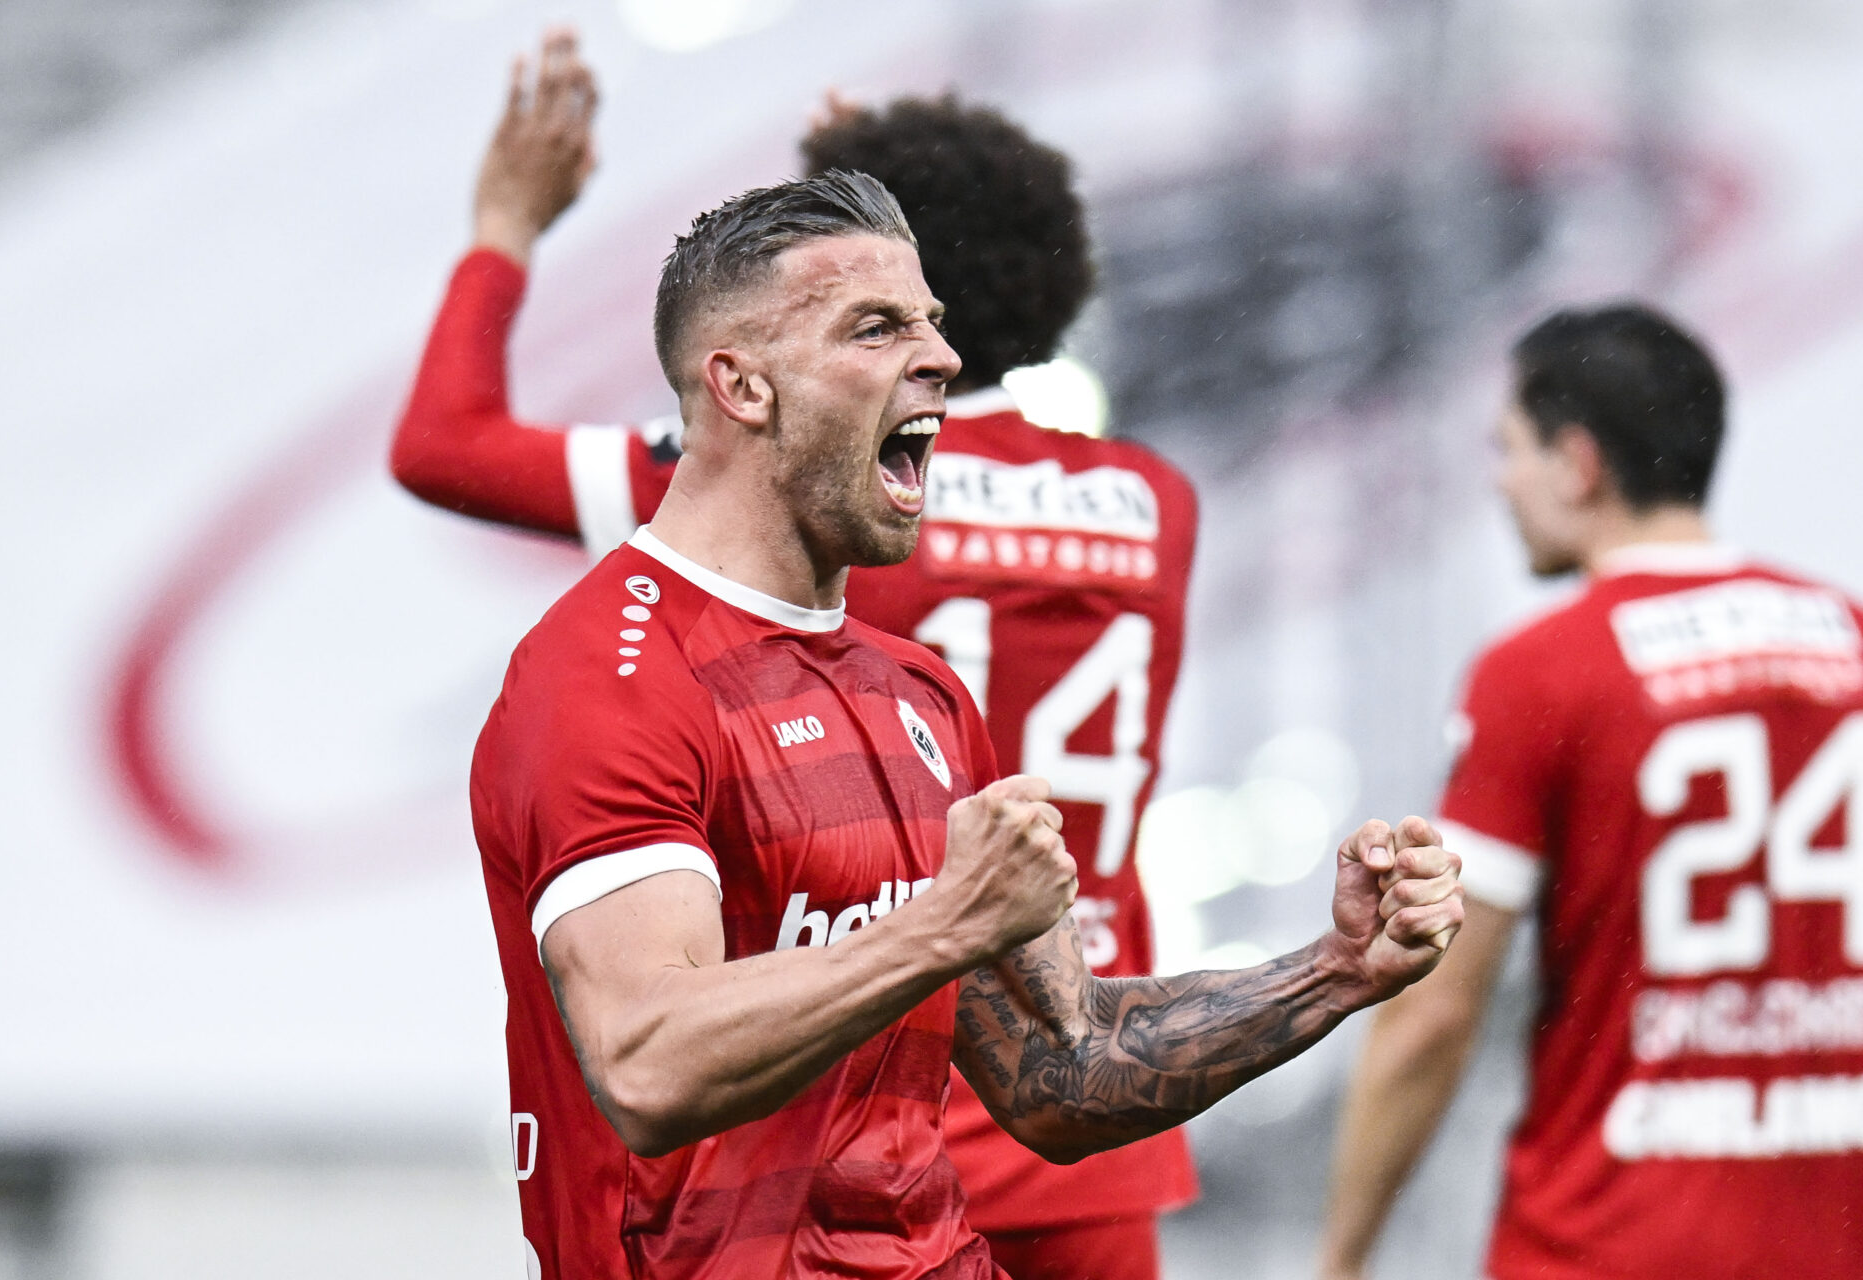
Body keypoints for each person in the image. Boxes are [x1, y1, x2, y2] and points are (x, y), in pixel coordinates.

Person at [465, 139, 1465, 1280]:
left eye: (932, 321)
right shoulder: (609, 673)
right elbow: (646, 1063)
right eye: (877, 328)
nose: (941, 356)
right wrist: (946, 921)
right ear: (741, 385)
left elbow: (1061, 1069)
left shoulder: (920, 689)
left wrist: (1335, 967)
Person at [391, 32, 1204, 1277]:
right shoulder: (1154, 502)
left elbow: (445, 444)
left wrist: (505, 228)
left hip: (894, 1097)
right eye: (879, 318)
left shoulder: (820, 505)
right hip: (1085, 1076)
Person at [1316, 305, 1863, 1280]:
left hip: (1610, 1238)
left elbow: (1435, 1009)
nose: (1500, 481)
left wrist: (1343, 1252)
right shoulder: (1848, 635)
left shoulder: (1546, 671)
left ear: (1578, 463)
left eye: (1510, 448)